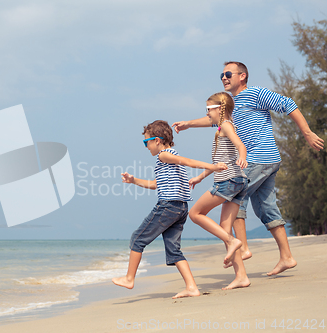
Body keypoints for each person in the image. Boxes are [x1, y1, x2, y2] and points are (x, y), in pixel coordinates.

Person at [173, 61, 324, 276]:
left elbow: (288, 104)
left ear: (242, 76)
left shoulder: (255, 93)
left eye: (228, 74)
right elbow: (216, 119)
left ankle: (242, 248)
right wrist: (188, 123)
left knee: (234, 199)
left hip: (258, 158)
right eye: (221, 75)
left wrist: (307, 133)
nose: (224, 78)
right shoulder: (232, 105)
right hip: (267, 161)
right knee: (266, 208)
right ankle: (287, 257)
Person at [112, 120, 227, 298]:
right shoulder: (169, 158)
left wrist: (212, 167)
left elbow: (188, 161)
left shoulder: (164, 156)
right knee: (173, 250)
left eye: (146, 142)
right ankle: (191, 287)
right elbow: (155, 184)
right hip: (180, 208)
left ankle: (129, 278)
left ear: (157, 140)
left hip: (168, 206)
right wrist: (134, 181)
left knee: (137, 239)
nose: (146, 146)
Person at [188, 92, 250, 290]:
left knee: (195, 213)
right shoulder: (223, 127)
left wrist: (242, 157)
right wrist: (200, 177)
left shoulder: (226, 126)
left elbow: (240, 145)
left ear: (219, 109)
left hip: (228, 182)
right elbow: (219, 162)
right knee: (224, 228)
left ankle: (232, 241)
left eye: (208, 110)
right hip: (238, 181)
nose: (207, 114)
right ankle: (241, 276)